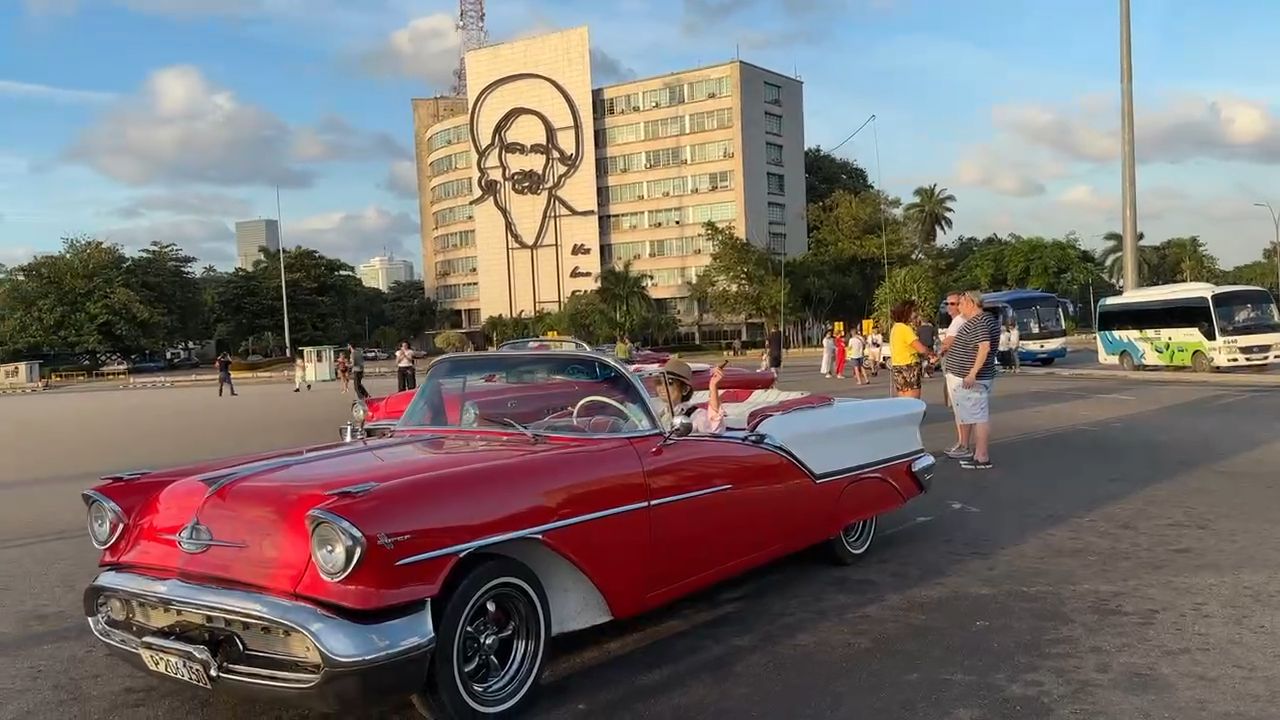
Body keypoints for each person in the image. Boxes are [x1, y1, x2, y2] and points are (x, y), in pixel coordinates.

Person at [943, 290, 1000, 469]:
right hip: (973, 376)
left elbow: (984, 347)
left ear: (970, 303)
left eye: (960, 304)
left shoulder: (980, 321)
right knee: (977, 415)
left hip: (972, 379)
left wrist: (972, 373)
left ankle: (981, 456)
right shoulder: (985, 320)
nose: (959, 308)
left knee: (979, 416)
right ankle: (978, 454)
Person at [650, 359, 725, 435]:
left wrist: (713, 386)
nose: (662, 387)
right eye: (659, 382)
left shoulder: (696, 415)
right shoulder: (656, 413)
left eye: (670, 383)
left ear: (685, 389)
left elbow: (714, 430)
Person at [889, 301, 938, 399]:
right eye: (914, 311)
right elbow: (921, 349)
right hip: (909, 367)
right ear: (907, 313)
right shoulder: (905, 329)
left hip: (897, 367)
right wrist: (932, 355)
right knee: (913, 401)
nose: (916, 314)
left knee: (903, 398)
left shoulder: (895, 328)